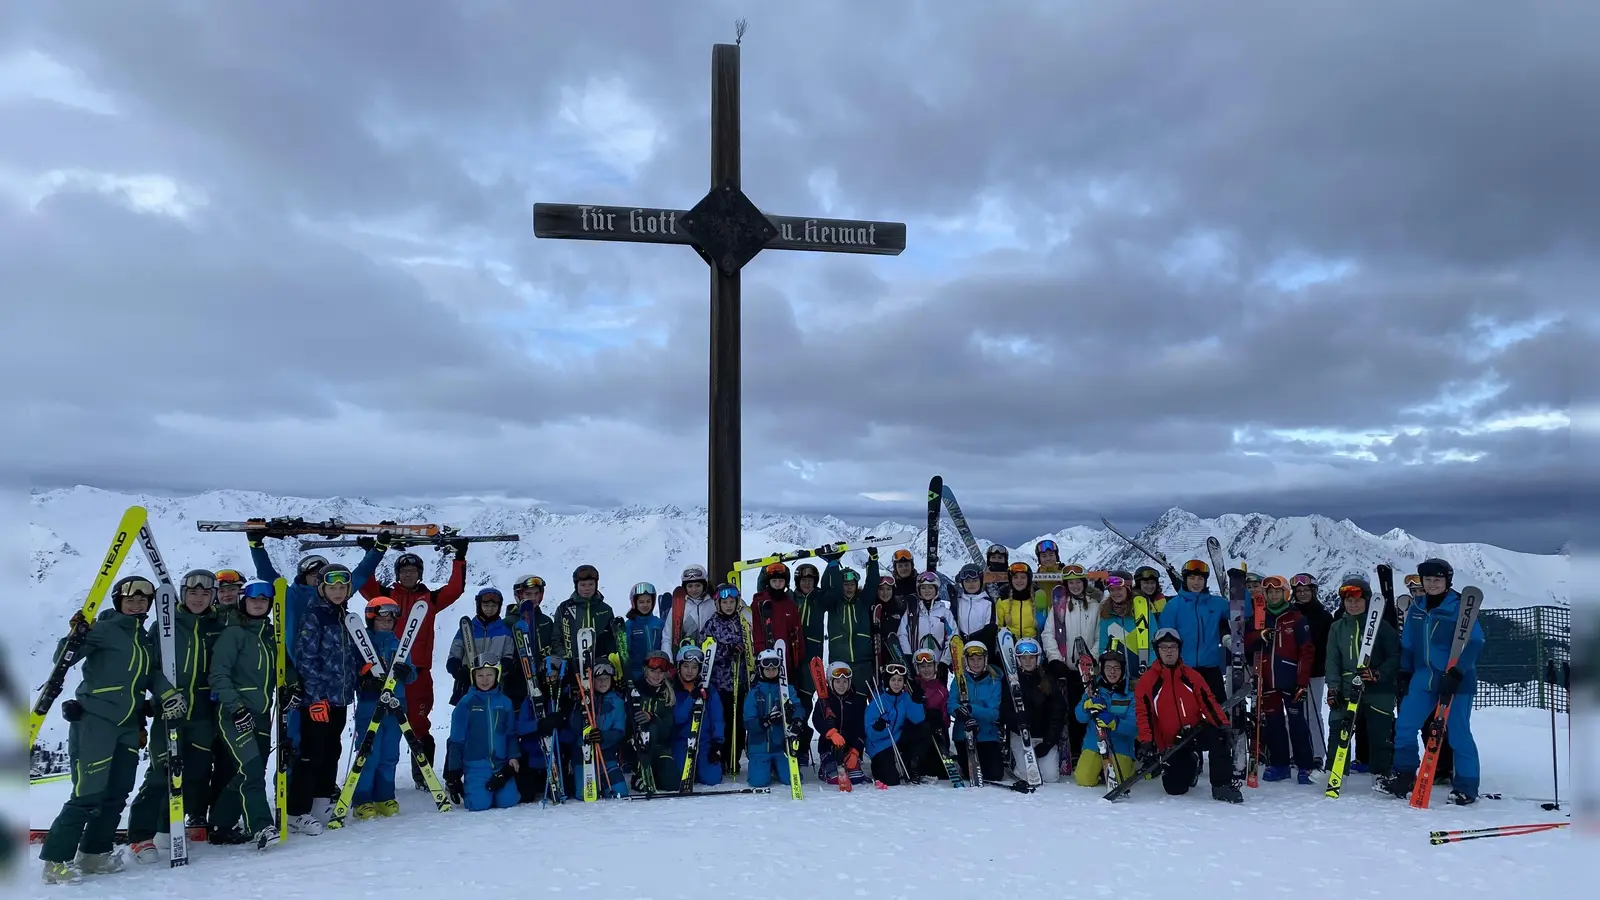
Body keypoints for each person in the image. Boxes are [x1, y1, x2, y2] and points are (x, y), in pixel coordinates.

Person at [37, 576, 157, 885]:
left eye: (143, 600)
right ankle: (56, 861)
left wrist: (161, 698)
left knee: (117, 794)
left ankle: (94, 855)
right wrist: (74, 636)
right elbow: (63, 658)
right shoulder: (103, 629)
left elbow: (148, 677)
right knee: (87, 794)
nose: (137, 603)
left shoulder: (143, 638)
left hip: (129, 726)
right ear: (119, 601)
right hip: (96, 722)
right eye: (131, 598)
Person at [127, 570, 222, 849]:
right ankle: (141, 837)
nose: (199, 599)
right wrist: (163, 695)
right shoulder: (166, 626)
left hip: (203, 714)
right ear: (182, 593)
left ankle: (171, 827)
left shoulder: (217, 626)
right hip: (168, 713)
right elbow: (150, 667)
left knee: (194, 772)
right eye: (193, 592)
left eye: (206, 593)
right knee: (161, 773)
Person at [359, 544, 466, 791]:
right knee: (381, 725)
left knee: (418, 723)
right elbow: (365, 585)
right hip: (383, 673)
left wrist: (459, 558)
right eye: (404, 571)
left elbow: (455, 590)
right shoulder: (386, 596)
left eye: (413, 571)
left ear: (420, 574)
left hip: (418, 673)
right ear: (398, 574)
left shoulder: (430, 599)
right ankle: (373, 778)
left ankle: (423, 774)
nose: (408, 575)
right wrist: (371, 553)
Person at [1384, 558, 1484, 805]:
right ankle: (1405, 775)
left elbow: (1474, 643)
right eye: (1427, 580)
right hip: (1423, 677)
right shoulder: (1417, 609)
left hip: (1457, 681)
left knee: (1458, 734)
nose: (1432, 584)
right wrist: (1404, 673)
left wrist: (1458, 673)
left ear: (1447, 581)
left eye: (1437, 580)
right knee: (1405, 726)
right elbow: (1408, 644)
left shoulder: (1459, 608)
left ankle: (1467, 787)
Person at [203, 580, 283, 850]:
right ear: (243, 602)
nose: (259, 603)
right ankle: (261, 826)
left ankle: (221, 824)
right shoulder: (234, 634)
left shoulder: (271, 635)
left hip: (261, 713)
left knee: (251, 770)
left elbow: (285, 665)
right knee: (251, 770)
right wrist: (235, 708)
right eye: (253, 599)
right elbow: (218, 675)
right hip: (235, 713)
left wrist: (292, 684)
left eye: (264, 600)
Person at [288, 563, 366, 834]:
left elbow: (350, 654)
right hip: (318, 701)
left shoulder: (346, 616)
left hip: (341, 698)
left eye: (342, 587)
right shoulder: (314, 616)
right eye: (332, 587)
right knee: (311, 754)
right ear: (321, 589)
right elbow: (305, 659)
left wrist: (362, 671)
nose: (337, 591)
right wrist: (316, 696)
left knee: (332, 751)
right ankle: (296, 811)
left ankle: (321, 803)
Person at [1134, 629, 1242, 803]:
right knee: (1175, 789)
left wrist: (1223, 725)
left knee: (1220, 736)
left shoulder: (1191, 676)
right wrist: (1146, 742)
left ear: (1179, 649)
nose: (1169, 651)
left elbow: (1209, 703)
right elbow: (1143, 715)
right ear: (1157, 650)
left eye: (1173, 647)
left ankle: (1222, 786)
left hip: (1195, 731)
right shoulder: (1148, 681)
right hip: (1172, 743)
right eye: (1164, 647)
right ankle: (1192, 762)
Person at [248, 534, 387, 665]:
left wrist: (376, 551)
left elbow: (361, 574)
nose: (316, 577)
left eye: (320, 574)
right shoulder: (290, 595)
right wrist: (256, 547)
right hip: (302, 666)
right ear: (303, 576)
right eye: (313, 574)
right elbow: (267, 574)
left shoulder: (335, 594)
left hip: (336, 669)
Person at [1325, 576, 1399, 778]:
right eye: (1348, 601)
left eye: (1358, 600)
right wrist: (1333, 688)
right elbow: (1332, 660)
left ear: (1366, 601)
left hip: (1378, 687)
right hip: (1348, 685)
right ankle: (1335, 771)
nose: (1353, 605)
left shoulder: (1382, 627)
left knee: (1380, 733)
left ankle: (1384, 774)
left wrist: (1379, 673)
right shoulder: (1337, 627)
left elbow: (1395, 655)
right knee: (1338, 727)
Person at [1244, 575, 1315, 783]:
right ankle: (1280, 764)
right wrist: (1259, 636)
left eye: (1277, 591)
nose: (1273, 595)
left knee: (1297, 724)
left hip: (1291, 679)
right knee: (1273, 724)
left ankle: (1305, 766)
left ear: (1285, 593)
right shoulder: (1259, 617)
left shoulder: (1296, 618)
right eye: (1269, 592)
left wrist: (1302, 682)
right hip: (1267, 680)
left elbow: (1306, 651)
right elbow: (1247, 643)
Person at [351, 597, 416, 819]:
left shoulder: (399, 643)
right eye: (381, 619)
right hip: (371, 704)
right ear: (371, 619)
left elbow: (412, 672)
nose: (387, 623)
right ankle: (362, 799)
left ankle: (384, 796)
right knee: (369, 752)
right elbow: (353, 671)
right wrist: (363, 679)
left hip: (397, 704)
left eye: (390, 619)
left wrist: (407, 672)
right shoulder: (362, 643)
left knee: (390, 754)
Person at [444, 657, 522, 811]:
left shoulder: (505, 702)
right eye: (480, 675)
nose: (485, 680)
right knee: (479, 805)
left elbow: (511, 733)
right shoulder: (466, 704)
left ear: (497, 676)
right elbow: (456, 740)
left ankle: (499, 789)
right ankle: (474, 790)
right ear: (473, 677)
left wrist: (513, 756)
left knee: (509, 801)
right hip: (475, 767)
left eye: (489, 675)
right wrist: (454, 771)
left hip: (501, 765)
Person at [1041, 565, 1101, 756]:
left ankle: (1090, 748)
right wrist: (1055, 659)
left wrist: (1092, 658)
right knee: (1070, 711)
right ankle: (1073, 751)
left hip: (1089, 670)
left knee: (1089, 710)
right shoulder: (1059, 607)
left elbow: (1101, 635)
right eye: (1071, 582)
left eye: (1078, 582)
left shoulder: (1095, 605)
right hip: (1066, 669)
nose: (1075, 586)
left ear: (1084, 583)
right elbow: (1048, 633)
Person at [751, 562, 805, 762]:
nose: (777, 583)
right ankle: (764, 749)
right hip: (765, 665)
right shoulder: (759, 602)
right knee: (766, 705)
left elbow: (797, 633)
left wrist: (796, 661)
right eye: (774, 580)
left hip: (786, 664)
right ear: (768, 582)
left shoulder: (790, 604)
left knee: (786, 704)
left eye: (781, 580)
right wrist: (758, 656)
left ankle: (786, 747)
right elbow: (756, 630)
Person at [1154, 559, 1231, 701]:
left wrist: (1239, 586)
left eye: (1200, 578)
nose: (1196, 582)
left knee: (1219, 713)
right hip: (1182, 669)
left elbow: (1242, 613)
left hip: (1211, 669)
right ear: (1185, 579)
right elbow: (1163, 641)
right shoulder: (1173, 606)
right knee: (1187, 715)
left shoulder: (1216, 603)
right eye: (1192, 578)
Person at [698, 583, 748, 773]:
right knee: (723, 721)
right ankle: (721, 757)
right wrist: (726, 650)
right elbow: (706, 650)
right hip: (720, 683)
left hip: (739, 681)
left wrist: (745, 652)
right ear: (718, 604)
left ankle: (734, 758)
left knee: (738, 722)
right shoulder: (712, 624)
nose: (728, 605)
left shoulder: (742, 621)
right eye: (725, 602)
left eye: (732, 602)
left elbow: (750, 644)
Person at [1072, 650, 1137, 787]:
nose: (1112, 672)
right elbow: (1080, 718)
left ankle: (1127, 765)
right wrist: (1087, 705)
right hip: (1094, 743)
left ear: (1123, 669)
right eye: (1108, 668)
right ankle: (1099, 769)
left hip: (1120, 745)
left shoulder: (1130, 693)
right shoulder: (1093, 688)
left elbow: (1134, 727)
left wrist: (1115, 723)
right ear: (1102, 669)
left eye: (1116, 668)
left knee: (1120, 782)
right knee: (1084, 779)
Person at [446, 588, 520, 706]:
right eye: (486, 605)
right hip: (467, 688)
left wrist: (504, 668)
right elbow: (454, 656)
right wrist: (458, 671)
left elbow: (508, 657)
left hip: (494, 688)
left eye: (493, 606)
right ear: (479, 605)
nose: (489, 609)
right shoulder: (467, 630)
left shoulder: (505, 632)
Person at [1290, 573, 1334, 767]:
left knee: (1313, 714)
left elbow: (1329, 646)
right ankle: (1295, 752)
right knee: (1292, 713)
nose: (1302, 594)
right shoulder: (1289, 614)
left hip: (1315, 672)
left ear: (1313, 591)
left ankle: (1317, 754)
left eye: (1306, 590)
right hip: (1291, 670)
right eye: (1298, 591)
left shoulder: (1324, 616)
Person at [741, 649, 801, 790]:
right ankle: (767, 767)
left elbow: (798, 707)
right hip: (759, 748)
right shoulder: (754, 693)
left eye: (774, 668)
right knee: (758, 782)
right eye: (767, 669)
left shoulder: (787, 689)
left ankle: (776, 766)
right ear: (760, 669)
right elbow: (749, 723)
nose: (771, 671)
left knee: (790, 780)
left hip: (781, 747)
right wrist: (766, 721)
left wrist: (796, 720)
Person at [1007, 638, 1065, 783]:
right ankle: (1018, 761)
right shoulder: (1011, 681)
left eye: (1031, 657)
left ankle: (1043, 757)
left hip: (1043, 737)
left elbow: (1058, 714)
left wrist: (1048, 743)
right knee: (1026, 777)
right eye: (1023, 658)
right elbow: (1003, 710)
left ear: (1038, 658)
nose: (1027, 661)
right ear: (1018, 659)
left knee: (1050, 777)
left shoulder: (1048, 680)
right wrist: (1016, 719)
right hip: (1020, 735)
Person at [950, 641, 1005, 783]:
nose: (976, 663)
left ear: (985, 659)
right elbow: (951, 704)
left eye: (979, 659)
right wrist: (964, 715)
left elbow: (993, 713)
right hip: (963, 734)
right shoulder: (958, 680)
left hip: (987, 735)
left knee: (994, 775)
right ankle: (959, 762)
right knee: (971, 775)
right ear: (966, 660)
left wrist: (971, 709)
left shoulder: (994, 681)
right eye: (972, 659)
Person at [669, 647, 723, 788]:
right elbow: (678, 718)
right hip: (681, 741)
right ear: (679, 666)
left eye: (694, 667)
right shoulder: (673, 689)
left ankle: (701, 768)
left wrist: (717, 743)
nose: (689, 671)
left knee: (713, 779)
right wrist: (691, 698)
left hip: (704, 742)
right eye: (686, 666)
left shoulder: (709, 689)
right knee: (681, 777)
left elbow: (717, 718)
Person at [864, 662, 926, 785]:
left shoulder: (904, 698)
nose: (897, 683)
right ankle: (879, 767)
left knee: (923, 729)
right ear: (887, 681)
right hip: (880, 745)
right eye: (893, 680)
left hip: (897, 739)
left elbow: (918, 720)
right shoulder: (878, 701)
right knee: (891, 781)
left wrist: (917, 702)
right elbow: (870, 734)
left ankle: (911, 764)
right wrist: (878, 727)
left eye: (900, 680)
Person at [628, 650, 681, 792]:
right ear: (645, 671)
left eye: (660, 672)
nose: (657, 675)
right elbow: (627, 722)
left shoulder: (667, 695)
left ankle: (654, 774)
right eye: (653, 671)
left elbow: (667, 729)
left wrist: (652, 717)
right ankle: (640, 774)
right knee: (649, 729)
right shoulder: (635, 691)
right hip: (637, 746)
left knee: (672, 784)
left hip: (660, 747)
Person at [811, 661, 868, 786]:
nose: (841, 685)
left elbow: (862, 728)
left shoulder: (857, 701)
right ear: (831, 682)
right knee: (835, 779)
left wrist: (856, 751)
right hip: (829, 747)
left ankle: (851, 760)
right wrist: (830, 733)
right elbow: (817, 720)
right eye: (837, 682)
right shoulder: (824, 701)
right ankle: (825, 767)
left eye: (845, 681)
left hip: (849, 748)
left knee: (856, 779)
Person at [554, 565, 617, 668]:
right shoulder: (564, 608)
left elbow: (611, 640)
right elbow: (556, 638)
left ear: (596, 585)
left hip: (599, 667)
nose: (587, 589)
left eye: (591, 584)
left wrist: (607, 659)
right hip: (572, 667)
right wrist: (565, 657)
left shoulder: (605, 610)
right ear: (576, 586)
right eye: (583, 585)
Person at [827, 564, 877, 692]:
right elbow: (827, 585)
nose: (849, 588)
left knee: (861, 698)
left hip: (863, 661)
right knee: (841, 700)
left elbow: (872, 583)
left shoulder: (863, 601)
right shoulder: (833, 603)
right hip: (840, 660)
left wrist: (873, 561)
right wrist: (833, 565)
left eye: (852, 584)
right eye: (845, 584)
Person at [906, 649, 952, 779]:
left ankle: (942, 757)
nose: (926, 670)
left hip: (937, 734)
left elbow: (945, 718)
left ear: (935, 667)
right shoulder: (911, 687)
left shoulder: (941, 689)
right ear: (917, 668)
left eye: (929, 666)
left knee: (940, 773)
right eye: (922, 666)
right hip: (919, 735)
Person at [898, 571, 955, 669]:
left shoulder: (945, 613)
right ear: (919, 590)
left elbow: (953, 637)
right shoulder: (912, 612)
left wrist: (945, 661)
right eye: (923, 588)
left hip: (938, 665)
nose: (927, 591)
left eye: (930, 587)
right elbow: (902, 634)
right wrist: (908, 655)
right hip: (917, 664)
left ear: (936, 589)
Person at [1097, 574, 1145, 677]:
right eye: (1112, 590)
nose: (1115, 593)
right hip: (1117, 678)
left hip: (1143, 675)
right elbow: (1102, 648)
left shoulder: (1142, 612)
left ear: (1128, 589)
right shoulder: (1106, 616)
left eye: (1119, 589)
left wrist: (1149, 670)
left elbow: (1152, 645)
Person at [660, 565, 714, 653]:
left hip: (709, 658)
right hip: (685, 661)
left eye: (698, 585)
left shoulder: (713, 605)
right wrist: (669, 660)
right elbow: (667, 638)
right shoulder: (678, 607)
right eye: (690, 586)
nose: (694, 589)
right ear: (685, 587)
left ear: (704, 585)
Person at [619, 583, 666, 683]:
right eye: (641, 602)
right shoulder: (630, 625)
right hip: (637, 673)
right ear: (634, 603)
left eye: (648, 601)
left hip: (657, 672)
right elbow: (625, 651)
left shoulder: (659, 623)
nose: (645, 605)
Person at [949, 563, 998, 658]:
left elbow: (990, 630)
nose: (971, 584)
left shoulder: (987, 603)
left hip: (980, 652)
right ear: (962, 583)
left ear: (981, 581)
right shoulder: (957, 603)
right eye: (967, 581)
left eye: (975, 580)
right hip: (960, 652)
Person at [996, 563, 1039, 644]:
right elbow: (999, 627)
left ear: (1028, 579)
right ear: (1011, 580)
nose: (1019, 580)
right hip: (1010, 646)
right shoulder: (1003, 601)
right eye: (1015, 577)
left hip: (1033, 646)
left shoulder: (1038, 598)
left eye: (1023, 577)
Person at [873, 574, 906, 672]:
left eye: (888, 589)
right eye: (881, 589)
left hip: (896, 653)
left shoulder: (900, 608)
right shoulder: (872, 609)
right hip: (878, 654)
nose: (885, 592)